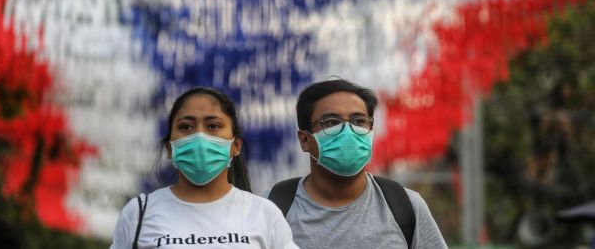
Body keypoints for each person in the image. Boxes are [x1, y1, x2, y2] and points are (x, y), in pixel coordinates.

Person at [267, 79, 447, 248]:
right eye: (331, 122)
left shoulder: (406, 206)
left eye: (359, 121)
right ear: (305, 139)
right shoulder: (270, 209)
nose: (348, 132)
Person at [110, 86, 298, 249]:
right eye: (185, 127)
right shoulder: (139, 213)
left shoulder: (264, 213)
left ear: (235, 146)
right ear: (170, 147)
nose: (199, 137)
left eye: (213, 126)